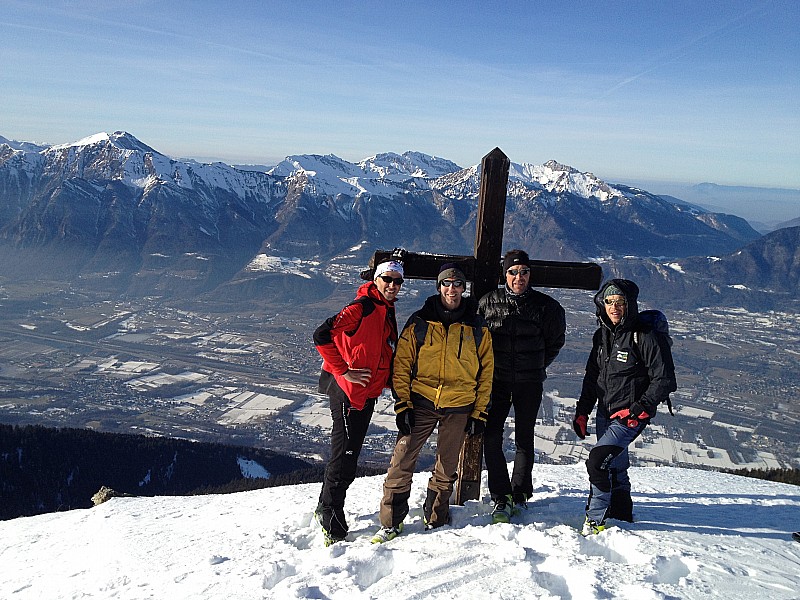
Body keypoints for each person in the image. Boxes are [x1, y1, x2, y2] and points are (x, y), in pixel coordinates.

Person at [371, 262, 493, 543]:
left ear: (464, 288)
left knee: (446, 466)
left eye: (458, 284)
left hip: (460, 405)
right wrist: (403, 404)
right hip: (422, 401)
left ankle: (436, 518)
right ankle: (391, 522)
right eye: (447, 284)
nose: (452, 289)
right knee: (401, 461)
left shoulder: (477, 326)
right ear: (438, 287)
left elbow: (486, 370)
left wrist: (479, 412)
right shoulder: (420, 322)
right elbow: (401, 364)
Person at [573, 278, 677, 535]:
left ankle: (595, 519)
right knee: (615, 463)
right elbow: (592, 377)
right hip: (605, 412)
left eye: (620, 302)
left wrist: (639, 408)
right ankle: (621, 512)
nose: (614, 307)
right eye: (609, 301)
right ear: (602, 304)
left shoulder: (645, 336)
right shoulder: (602, 336)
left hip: (629, 415)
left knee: (597, 461)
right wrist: (583, 411)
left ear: (630, 305)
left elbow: (665, 379)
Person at [312, 260, 403, 546]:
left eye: (397, 281)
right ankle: (330, 516)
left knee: (349, 456)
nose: (392, 285)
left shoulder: (383, 309)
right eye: (387, 279)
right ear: (376, 280)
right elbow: (322, 335)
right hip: (348, 394)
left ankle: (324, 506)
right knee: (344, 457)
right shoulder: (361, 308)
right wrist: (343, 369)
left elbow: (380, 351)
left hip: (366, 394)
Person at [479, 249, 566, 523]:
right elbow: (477, 340)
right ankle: (500, 495)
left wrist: (537, 364)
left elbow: (555, 341)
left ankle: (519, 494)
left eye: (524, 272)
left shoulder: (546, 307)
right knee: (491, 437)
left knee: (524, 439)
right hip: (497, 381)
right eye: (513, 272)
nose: (519, 277)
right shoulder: (488, 303)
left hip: (529, 382)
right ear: (505, 275)